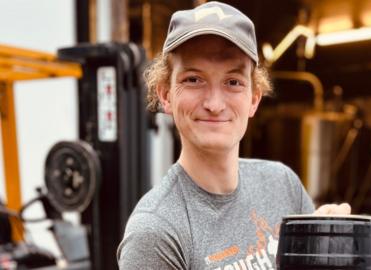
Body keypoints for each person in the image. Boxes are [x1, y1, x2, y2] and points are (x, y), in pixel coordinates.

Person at [117, 2, 350, 269]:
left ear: (254, 99)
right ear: (165, 95)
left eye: (233, 82)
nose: (215, 103)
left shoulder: (283, 186)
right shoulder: (156, 233)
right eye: (194, 79)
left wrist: (329, 246)